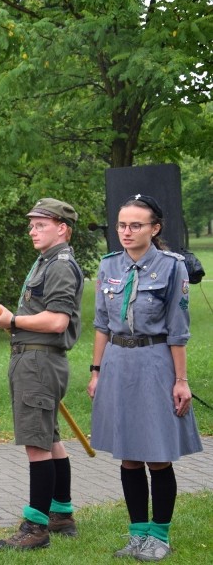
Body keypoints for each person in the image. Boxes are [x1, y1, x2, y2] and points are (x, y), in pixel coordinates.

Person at [87, 194, 203, 561]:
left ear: (155, 229)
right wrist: (96, 371)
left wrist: (180, 380)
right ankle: (137, 534)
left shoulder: (172, 267)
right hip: (118, 364)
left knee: (156, 455)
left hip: (155, 362)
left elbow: (178, 328)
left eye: (136, 225)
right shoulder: (109, 267)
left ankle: (160, 536)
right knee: (129, 457)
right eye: (122, 224)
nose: (127, 231)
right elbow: (102, 324)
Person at [0, 198, 83, 550]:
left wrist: (13, 321)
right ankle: (61, 512)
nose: (32, 230)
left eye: (40, 224)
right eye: (31, 224)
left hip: (39, 363)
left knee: (36, 444)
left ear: (62, 228)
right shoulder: (46, 260)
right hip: (35, 359)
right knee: (50, 438)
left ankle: (36, 527)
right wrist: (14, 321)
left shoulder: (59, 264)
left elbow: (57, 320)